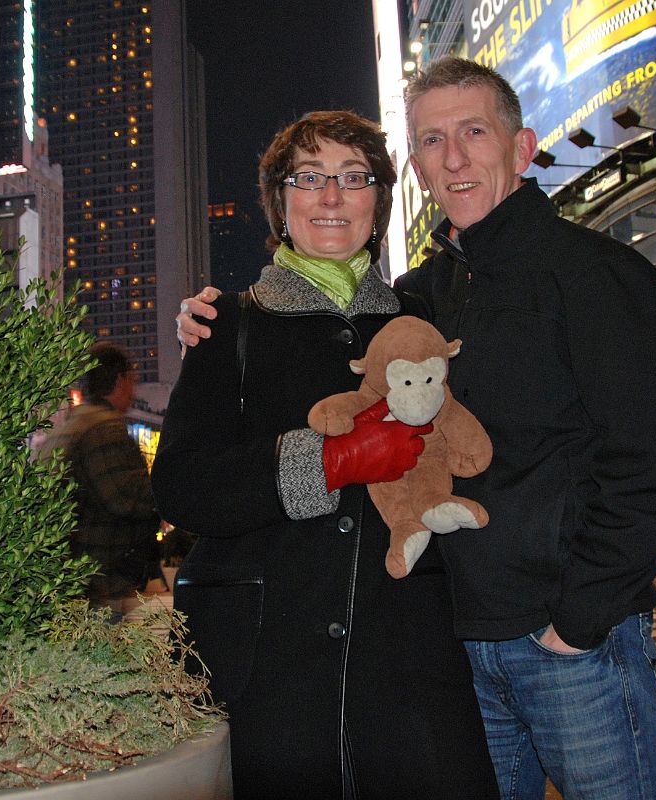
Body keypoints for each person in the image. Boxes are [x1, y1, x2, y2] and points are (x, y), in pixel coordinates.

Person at [178, 58, 656, 800]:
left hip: (553, 643)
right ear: (418, 168)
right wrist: (216, 327)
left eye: (472, 132)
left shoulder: (590, 274)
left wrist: (580, 621)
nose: (453, 157)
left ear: (519, 147)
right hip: (448, 648)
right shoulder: (421, 295)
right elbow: (191, 479)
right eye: (431, 140)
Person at [152, 110, 499, 800]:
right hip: (267, 666)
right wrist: (328, 462)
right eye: (308, 178)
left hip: (404, 659)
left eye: (353, 178)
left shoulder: (421, 319)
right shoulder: (230, 326)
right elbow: (183, 487)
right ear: (279, 203)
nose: (331, 197)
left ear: (379, 200)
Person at [42, 342, 162, 617]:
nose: (133, 390)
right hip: (98, 581)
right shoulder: (103, 429)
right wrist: (167, 489)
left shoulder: (71, 427)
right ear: (119, 380)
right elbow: (125, 497)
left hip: (70, 579)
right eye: (132, 380)